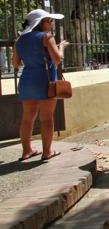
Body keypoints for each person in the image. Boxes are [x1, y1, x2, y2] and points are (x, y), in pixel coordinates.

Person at [12, 9, 69, 161]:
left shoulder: (19, 40)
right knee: (46, 118)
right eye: (49, 21)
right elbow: (57, 59)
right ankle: (47, 152)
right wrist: (61, 47)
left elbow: (16, 64)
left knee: (27, 118)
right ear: (40, 23)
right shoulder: (46, 37)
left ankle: (26, 151)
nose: (51, 24)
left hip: (27, 80)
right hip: (44, 80)